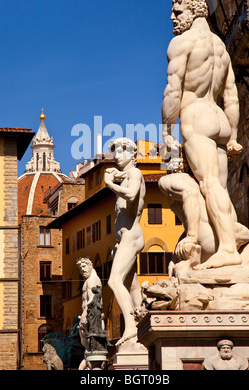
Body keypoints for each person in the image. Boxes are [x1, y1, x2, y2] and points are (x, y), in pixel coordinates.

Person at [162, 0, 249, 270]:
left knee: (210, 185)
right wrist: (233, 135)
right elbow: (231, 95)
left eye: (178, 12)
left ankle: (226, 249)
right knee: (217, 187)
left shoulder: (182, 43)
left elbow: (173, 90)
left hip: (196, 116)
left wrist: (166, 129)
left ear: (195, 12)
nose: (173, 18)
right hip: (220, 119)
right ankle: (230, 244)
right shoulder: (221, 48)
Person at [104, 138, 146, 345]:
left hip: (131, 235)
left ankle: (130, 327)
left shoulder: (135, 174)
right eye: (115, 153)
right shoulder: (125, 177)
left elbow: (131, 195)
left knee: (114, 281)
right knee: (131, 287)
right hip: (123, 239)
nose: (117, 156)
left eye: (121, 151)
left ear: (132, 154)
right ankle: (142, 326)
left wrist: (110, 184)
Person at [76, 257, 102, 348]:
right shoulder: (88, 280)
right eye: (80, 268)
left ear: (90, 265)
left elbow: (92, 300)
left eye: (84, 266)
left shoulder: (92, 280)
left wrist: (84, 315)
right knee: (88, 347)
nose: (82, 269)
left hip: (91, 317)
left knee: (91, 347)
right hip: (88, 317)